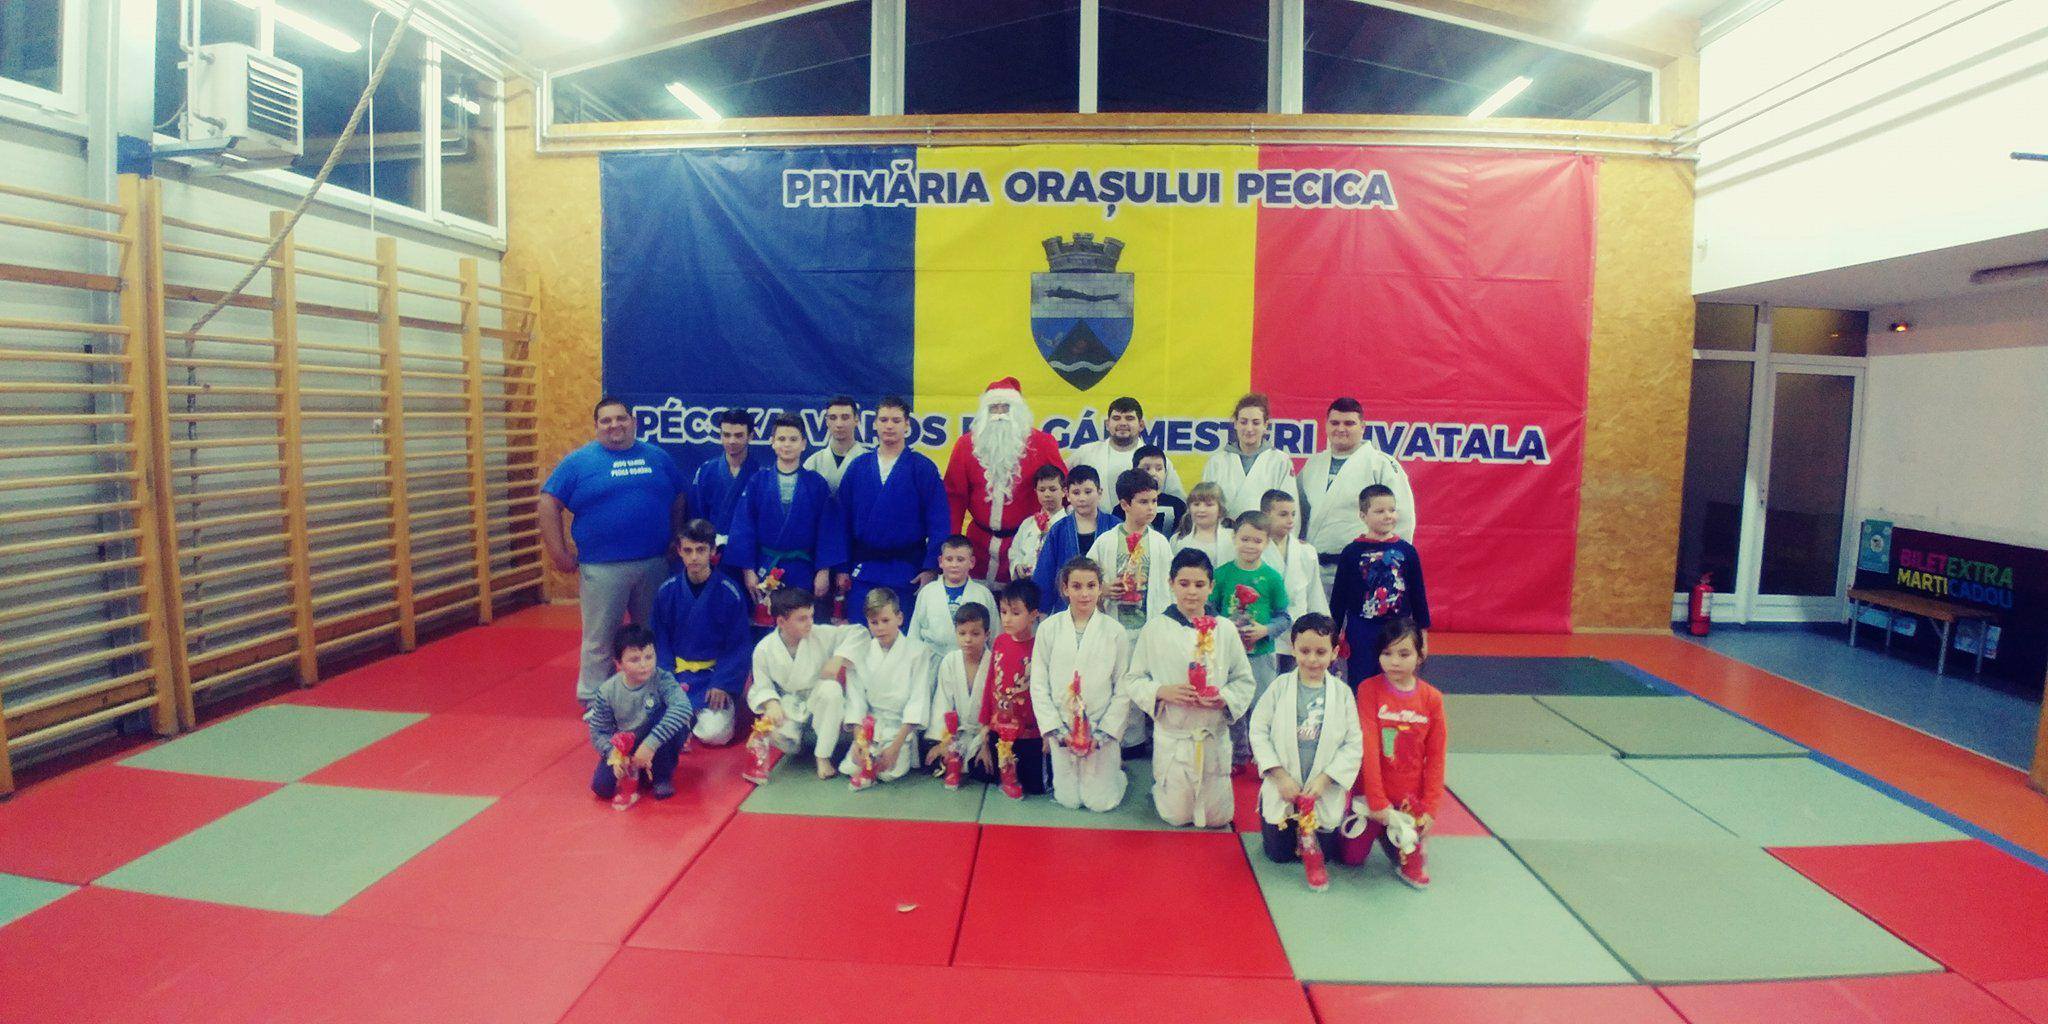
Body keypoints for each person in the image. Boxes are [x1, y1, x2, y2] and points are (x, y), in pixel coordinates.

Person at [540, 396, 689, 705]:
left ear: (633, 422)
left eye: (621, 418)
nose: (614, 425)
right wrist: (558, 553)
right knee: (600, 640)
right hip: (602, 568)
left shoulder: (657, 457)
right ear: (596, 426)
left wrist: (675, 536)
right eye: (606, 420)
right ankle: (595, 701)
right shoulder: (579, 462)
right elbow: (548, 502)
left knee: (652, 635)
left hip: (653, 563)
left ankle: (652, 695)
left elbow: (679, 497)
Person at [1123, 550, 1256, 828]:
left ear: (1211, 586)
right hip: (1175, 736)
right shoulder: (1155, 629)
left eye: (1199, 584)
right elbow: (1134, 679)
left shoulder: (1225, 629)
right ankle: (1162, 789)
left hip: (1212, 736)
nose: (1192, 592)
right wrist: (1162, 691)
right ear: (1171, 583)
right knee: (1176, 816)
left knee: (1218, 818)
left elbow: (1244, 680)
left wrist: (1224, 698)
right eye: (1184, 584)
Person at [1251, 615, 1362, 867]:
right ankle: (1275, 818)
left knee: (1325, 855)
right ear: (1293, 649)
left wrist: (1325, 779)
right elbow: (1258, 730)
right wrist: (1280, 776)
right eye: (1305, 651)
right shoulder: (1279, 687)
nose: (1312, 659)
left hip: (1322, 790)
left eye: (1321, 652)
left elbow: (1353, 744)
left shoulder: (1343, 694)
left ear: (1334, 653)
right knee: (1279, 855)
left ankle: (1315, 827)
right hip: (1283, 786)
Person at [832, 396, 953, 622]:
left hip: (907, 571)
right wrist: (842, 568)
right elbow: (841, 522)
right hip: (864, 569)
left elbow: (939, 523)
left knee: (902, 637)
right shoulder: (858, 467)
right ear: (875, 424)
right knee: (860, 635)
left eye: (896, 420)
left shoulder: (923, 468)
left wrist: (930, 568)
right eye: (884, 420)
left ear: (907, 425)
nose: (889, 426)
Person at [1344, 618, 1445, 889]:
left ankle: (1399, 837)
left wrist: (1430, 807)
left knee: (1409, 857)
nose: (1394, 662)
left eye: (1404, 654)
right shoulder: (1368, 690)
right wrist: (1376, 801)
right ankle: (1374, 829)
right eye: (1387, 653)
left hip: (1409, 800)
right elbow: (1369, 748)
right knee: (1351, 857)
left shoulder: (1432, 699)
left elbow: (1436, 758)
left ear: (1420, 655)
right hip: (1372, 795)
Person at [1029, 557, 1132, 813]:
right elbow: (1039, 684)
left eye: (1091, 586)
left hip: (1099, 726)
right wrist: (1055, 730)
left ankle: (1117, 774)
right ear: (1065, 589)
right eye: (1076, 586)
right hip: (1063, 726)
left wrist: (1103, 733)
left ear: (1100, 588)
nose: (1084, 594)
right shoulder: (1048, 629)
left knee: (1100, 803)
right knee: (1070, 800)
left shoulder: (1115, 632)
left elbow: (1123, 687)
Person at [943, 377, 1067, 584]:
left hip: (1025, 546)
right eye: (994, 408)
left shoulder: (1043, 444)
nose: (999, 414)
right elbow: (954, 500)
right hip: (977, 548)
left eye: (1006, 407)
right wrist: (952, 545)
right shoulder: (965, 445)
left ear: (1018, 411)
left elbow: (1063, 492)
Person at [727, 412, 845, 620]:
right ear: (772, 442)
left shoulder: (816, 483)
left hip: (803, 570)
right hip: (767, 567)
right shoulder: (758, 481)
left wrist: (824, 570)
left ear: (803, 444)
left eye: (793, 439)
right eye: (781, 439)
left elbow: (828, 530)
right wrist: (748, 570)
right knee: (769, 625)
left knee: (801, 624)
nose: (787, 445)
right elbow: (744, 528)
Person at [650, 518, 754, 746]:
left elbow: (738, 645)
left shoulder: (729, 592)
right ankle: (686, 718)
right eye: (688, 550)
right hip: (677, 676)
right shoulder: (667, 592)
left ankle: (694, 719)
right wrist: (667, 680)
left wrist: (722, 683)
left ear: (712, 551)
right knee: (644, 720)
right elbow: (659, 641)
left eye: (700, 550)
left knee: (715, 734)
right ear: (679, 551)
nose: (694, 557)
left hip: (712, 677)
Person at [1298, 397, 1415, 593]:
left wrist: (1391, 565)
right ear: (1326, 425)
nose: (1341, 429)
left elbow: (1402, 517)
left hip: (1364, 567)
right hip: (1315, 568)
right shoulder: (1313, 464)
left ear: (1362, 427)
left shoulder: (1381, 464)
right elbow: (1298, 514)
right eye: (1335, 423)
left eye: (1349, 423)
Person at [747, 587, 864, 779]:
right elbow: (762, 684)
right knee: (777, 733)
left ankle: (823, 756)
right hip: (789, 703)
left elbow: (859, 633)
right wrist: (771, 703)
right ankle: (800, 742)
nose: (810, 623)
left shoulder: (820, 634)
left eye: (811, 616)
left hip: (818, 697)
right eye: (802, 619)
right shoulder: (764, 649)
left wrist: (838, 658)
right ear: (781, 621)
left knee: (832, 689)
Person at [1331, 484, 1431, 687]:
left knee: (1397, 678)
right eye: (1380, 511)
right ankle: (1361, 707)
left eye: (1392, 510)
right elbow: (1339, 597)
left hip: (1400, 627)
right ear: (1363, 515)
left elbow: (1418, 595)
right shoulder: (1352, 552)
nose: (1388, 516)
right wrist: (1333, 634)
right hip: (1362, 628)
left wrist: (1422, 636)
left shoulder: (1407, 551)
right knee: (1362, 679)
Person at [1214, 511, 1290, 767]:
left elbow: (1284, 617)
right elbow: (1210, 611)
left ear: (1267, 542)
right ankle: (1237, 755)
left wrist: (1265, 630)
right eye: (1244, 539)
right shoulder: (1222, 575)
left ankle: (1263, 755)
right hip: (1229, 655)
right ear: (1234, 538)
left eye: (1257, 541)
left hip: (1262, 654)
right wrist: (1225, 628)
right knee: (1233, 706)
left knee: (1262, 706)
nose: (1250, 545)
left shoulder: (1272, 578)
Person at [840, 588, 935, 785]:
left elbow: (918, 701)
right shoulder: (861, 652)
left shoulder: (918, 652)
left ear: (899, 618)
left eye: (885, 620)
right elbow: (856, 701)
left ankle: (895, 752)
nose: (880, 628)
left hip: (899, 730)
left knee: (888, 773)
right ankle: (865, 755)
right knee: (852, 767)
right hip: (869, 729)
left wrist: (895, 747)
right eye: (874, 622)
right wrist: (859, 741)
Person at [586, 624, 693, 801]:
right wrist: (615, 755)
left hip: (655, 738)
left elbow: (683, 708)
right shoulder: (607, 691)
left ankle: (662, 776)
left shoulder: (662, 678)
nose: (644, 665)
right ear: (619, 664)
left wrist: (649, 745)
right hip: (626, 743)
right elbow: (599, 731)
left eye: (649, 657)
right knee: (601, 787)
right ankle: (640, 769)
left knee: (673, 717)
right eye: (634, 660)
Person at [980, 579, 1049, 796]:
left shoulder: (1040, 647)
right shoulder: (1000, 642)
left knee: (1035, 788)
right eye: (1003, 612)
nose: (1007, 619)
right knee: (989, 773)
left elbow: (1046, 691)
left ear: (1033, 614)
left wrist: (1047, 730)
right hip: (999, 728)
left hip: (1030, 731)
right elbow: (991, 681)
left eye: (1016, 613)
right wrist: (985, 722)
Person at [1088, 470, 1175, 633]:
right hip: (1112, 628)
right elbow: (1086, 579)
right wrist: (1103, 590)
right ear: (1125, 505)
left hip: (1152, 629)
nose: (1151, 508)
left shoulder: (1161, 543)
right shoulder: (1105, 542)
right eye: (1143, 502)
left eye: (1154, 501)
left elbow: (1171, 588)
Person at [1032, 466, 1118, 615]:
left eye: (1088, 492)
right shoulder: (1058, 530)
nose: (1082, 498)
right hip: (1066, 609)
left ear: (1099, 492)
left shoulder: (1115, 526)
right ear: (1067, 495)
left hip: (1108, 607)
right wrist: (1042, 611)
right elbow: (1045, 573)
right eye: (1076, 493)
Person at [1259, 489, 1329, 673]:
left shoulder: (1306, 551)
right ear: (1265, 514)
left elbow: (1315, 594)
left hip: (1299, 631)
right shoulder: (1256, 550)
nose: (1290, 520)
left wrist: (1325, 629)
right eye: (1283, 514)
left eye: (1293, 514)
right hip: (1266, 630)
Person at [1068, 397, 1187, 499]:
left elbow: (1178, 500)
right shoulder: (1086, 453)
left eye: (1129, 418)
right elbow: (1062, 485)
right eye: (1116, 418)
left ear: (1141, 425)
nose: (1123, 423)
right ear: (1107, 424)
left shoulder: (1157, 460)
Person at [926, 603, 996, 774]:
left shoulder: (994, 662)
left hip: (984, 733)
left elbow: (996, 709)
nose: (968, 639)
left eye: (975, 633)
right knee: (934, 761)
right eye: (962, 633)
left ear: (987, 634)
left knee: (984, 770)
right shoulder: (950, 661)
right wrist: (943, 742)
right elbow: (942, 702)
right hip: (957, 733)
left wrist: (985, 743)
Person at [1202, 394, 1295, 520]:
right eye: (1243, 422)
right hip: (1224, 531)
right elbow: (1204, 507)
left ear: (1265, 425)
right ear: (1235, 423)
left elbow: (1289, 511)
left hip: (1266, 532)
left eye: (1256, 423)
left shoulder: (1280, 461)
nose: (1249, 428)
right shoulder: (1217, 462)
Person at [908, 535, 999, 655]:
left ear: (971, 562)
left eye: (960, 560)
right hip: (932, 660)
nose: (954, 565)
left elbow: (995, 635)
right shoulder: (927, 592)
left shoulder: (983, 594)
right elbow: (914, 633)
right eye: (949, 559)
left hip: (971, 659)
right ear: (941, 561)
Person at [690, 409, 765, 550]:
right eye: (726, 435)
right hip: (711, 550)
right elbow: (696, 516)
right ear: (720, 435)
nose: (732, 441)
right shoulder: (706, 471)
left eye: (738, 435)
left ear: (750, 436)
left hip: (748, 550)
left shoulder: (761, 475)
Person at [1006, 464, 1069, 582]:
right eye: (1042, 490)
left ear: (1064, 491)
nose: (1047, 494)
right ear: (1036, 491)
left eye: (1053, 489)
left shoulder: (1070, 526)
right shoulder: (1027, 523)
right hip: (1026, 587)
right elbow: (1014, 552)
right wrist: (1017, 566)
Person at [802, 395, 868, 495]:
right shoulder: (813, 463)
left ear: (856, 420)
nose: (839, 424)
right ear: (827, 422)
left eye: (845, 417)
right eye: (833, 418)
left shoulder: (870, 460)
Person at [1174, 481, 1234, 569]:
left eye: (1209, 505)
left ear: (1220, 510)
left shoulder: (1233, 538)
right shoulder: (1178, 540)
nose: (1201, 510)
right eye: (1196, 504)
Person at [1134, 445, 1185, 537]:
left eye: (1159, 469)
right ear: (1134, 471)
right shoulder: (1126, 505)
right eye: (1146, 469)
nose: (1153, 473)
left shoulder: (1179, 505)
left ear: (1165, 472)